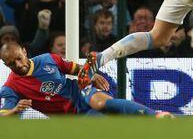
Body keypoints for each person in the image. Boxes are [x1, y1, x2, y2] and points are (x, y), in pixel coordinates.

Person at [0, 42, 171, 118]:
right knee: (105, 122)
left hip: (81, 91)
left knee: (98, 102)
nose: (18, 64)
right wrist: (15, 110)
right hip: (75, 116)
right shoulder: (10, 87)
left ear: (24, 51)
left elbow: (76, 69)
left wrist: (92, 74)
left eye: (18, 58)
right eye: (12, 63)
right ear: (6, 65)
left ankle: (156, 115)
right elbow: (3, 114)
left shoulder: (48, 59)